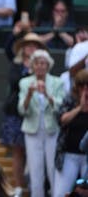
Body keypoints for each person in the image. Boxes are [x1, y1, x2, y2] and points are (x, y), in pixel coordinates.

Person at [1, 32, 46, 196]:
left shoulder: (42, 64)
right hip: (15, 112)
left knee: (32, 150)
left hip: (36, 112)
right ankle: (20, 185)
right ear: (23, 48)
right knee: (18, 150)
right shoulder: (16, 64)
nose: (31, 48)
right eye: (28, 45)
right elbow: (15, 83)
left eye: (35, 45)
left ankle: (32, 183)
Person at [17, 49, 65, 197]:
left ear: (48, 65)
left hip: (51, 129)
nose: (40, 66)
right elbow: (21, 110)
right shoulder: (25, 82)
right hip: (32, 130)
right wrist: (30, 95)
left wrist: (47, 95)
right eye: (37, 63)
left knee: (53, 168)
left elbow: (60, 106)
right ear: (33, 65)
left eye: (43, 63)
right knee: (35, 169)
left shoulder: (57, 82)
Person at [54, 69, 88, 197]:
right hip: (68, 154)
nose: (85, 89)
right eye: (82, 85)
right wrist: (80, 107)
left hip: (87, 155)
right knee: (61, 192)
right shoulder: (70, 99)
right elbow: (61, 120)